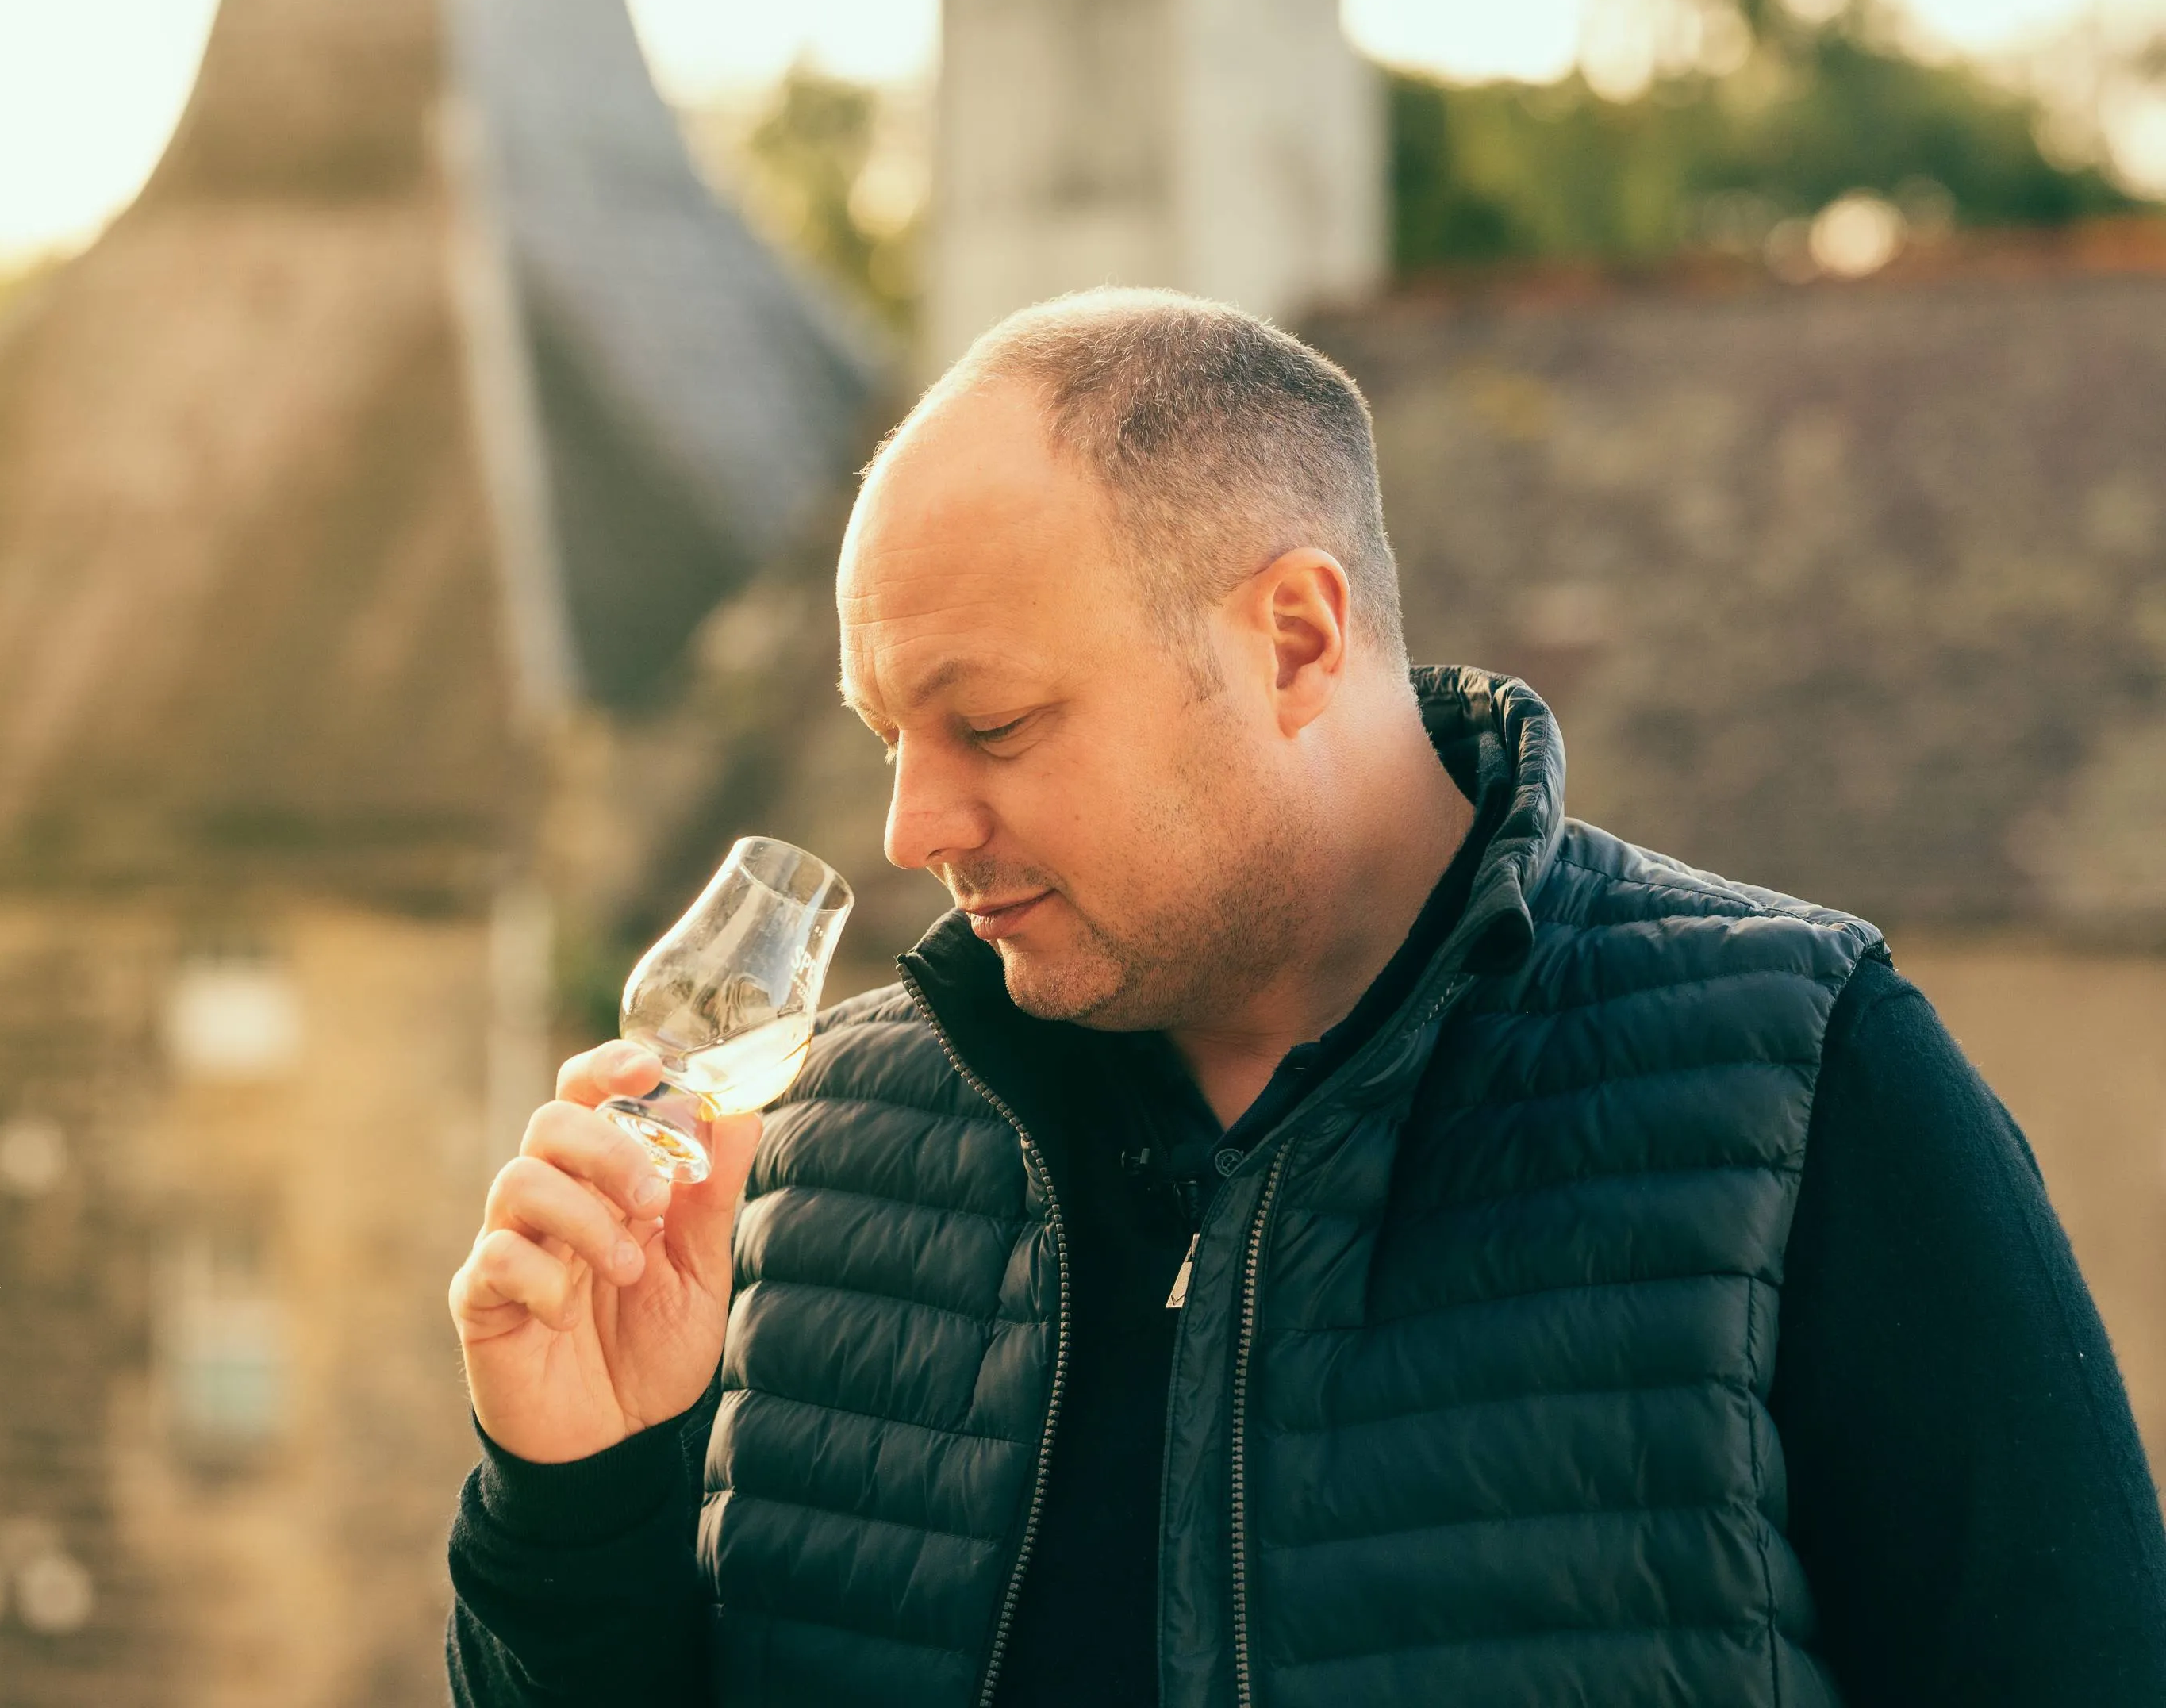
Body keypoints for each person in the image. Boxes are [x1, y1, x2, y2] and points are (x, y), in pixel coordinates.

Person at [442, 289, 2166, 1707]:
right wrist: (576, 1486)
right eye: (891, 735)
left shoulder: (1802, 1083)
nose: (914, 827)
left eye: (996, 724)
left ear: (1291, 638)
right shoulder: (819, 1151)